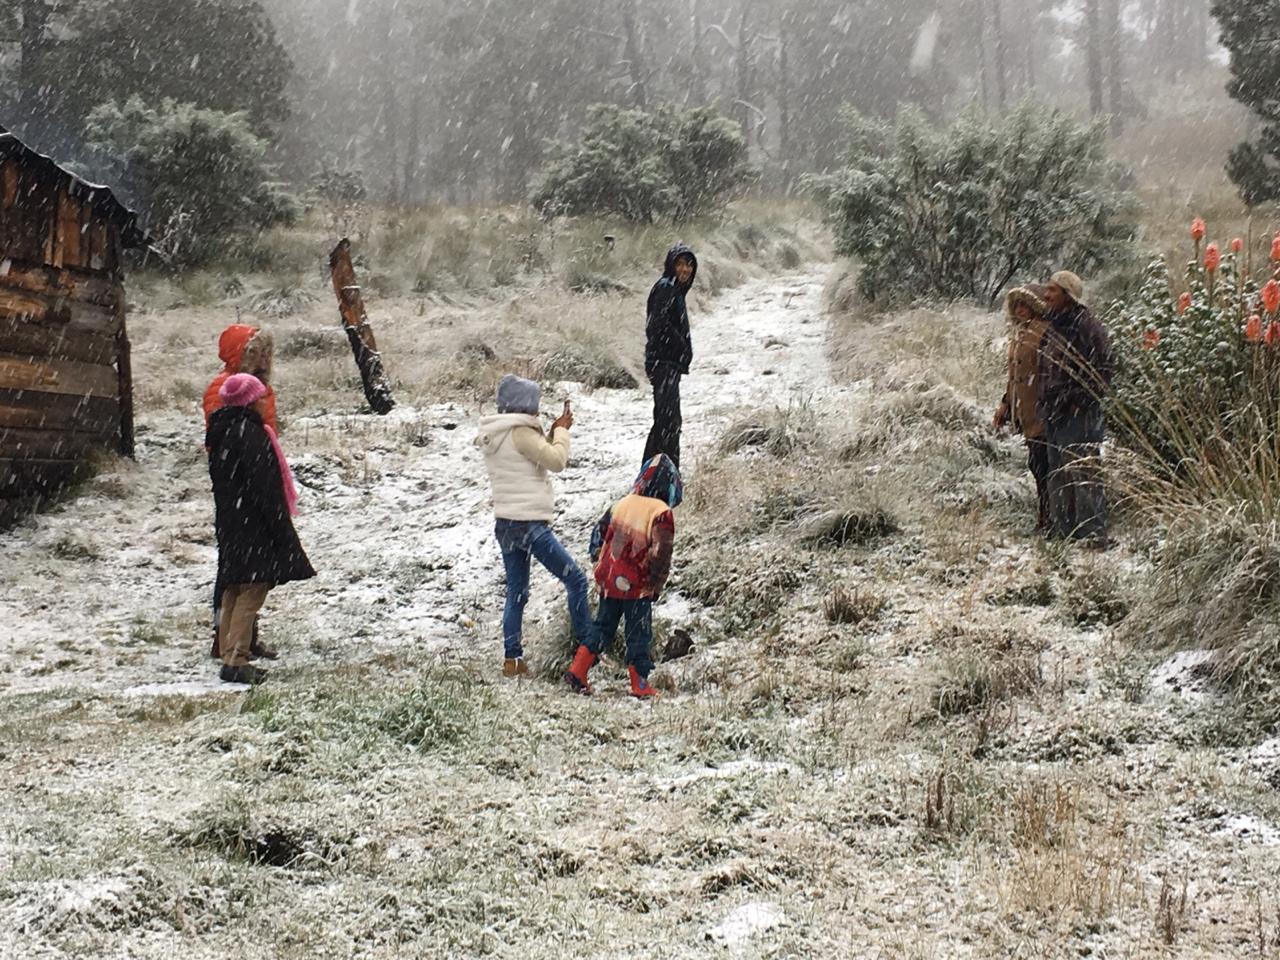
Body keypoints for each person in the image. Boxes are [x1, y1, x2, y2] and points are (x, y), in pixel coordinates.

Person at [475, 375, 596, 678]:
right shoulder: (521, 433)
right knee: (577, 581)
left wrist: (553, 430)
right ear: (525, 406)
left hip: (505, 523)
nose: (537, 411)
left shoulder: (496, 434)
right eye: (535, 405)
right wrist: (563, 433)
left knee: (516, 592)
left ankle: (512, 660)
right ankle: (587, 650)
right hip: (529, 524)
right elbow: (556, 461)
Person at [206, 374, 315, 684]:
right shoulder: (249, 434)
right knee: (252, 591)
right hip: (252, 523)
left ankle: (229, 654)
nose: (266, 401)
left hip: (231, 522)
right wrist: (278, 523)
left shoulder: (222, 431)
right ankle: (236, 661)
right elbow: (264, 486)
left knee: (234, 589)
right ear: (250, 400)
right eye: (261, 396)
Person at [565, 454, 683, 699]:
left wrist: (600, 560)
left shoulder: (623, 503)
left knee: (603, 626)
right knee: (638, 632)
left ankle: (578, 670)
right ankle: (639, 684)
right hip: (637, 584)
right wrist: (655, 585)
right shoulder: (661, 512)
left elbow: (599, 532)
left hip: (609, 579)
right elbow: (661, 553)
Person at [204, 323, 278, 660]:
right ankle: (229, 641)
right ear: (241, 354)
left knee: (245, 572)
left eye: (266, 351)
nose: (263, 358)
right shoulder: (227, 389)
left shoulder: (259, 387)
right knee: (238, 574)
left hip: (248, 483)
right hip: (240, 489)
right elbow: (226, 438)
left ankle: (240, 638)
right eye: (255, 351)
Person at [1036, 270, 1113, 546]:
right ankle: (1063, 533)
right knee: (1058, 475)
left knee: (1085, 475)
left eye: (1052, 291)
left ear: (1068, 296)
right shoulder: (1054, 326)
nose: (1046, 295)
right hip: (1054, 414)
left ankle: (1092, 535)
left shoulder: (1088, 327)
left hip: (1078, 415)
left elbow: (1103, 371)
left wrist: (1079, 402)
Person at [993, 285, 1052, 529]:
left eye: (1024, 305)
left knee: (1043, 465)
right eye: (1016, 305)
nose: (1020, 309)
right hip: (1025, 409)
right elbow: (1015, 376)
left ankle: (1050, 518)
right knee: (1037, 464)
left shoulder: (1045, 332)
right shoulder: (1020, 333)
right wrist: (1006, 405)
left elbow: (1047, 374)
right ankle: (1046, 516)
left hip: (1041, 409)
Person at [643, 243, 697, 469]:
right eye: (680, 264)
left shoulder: (675, 290)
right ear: (671, 265)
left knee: (666, 422)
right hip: (663, 363)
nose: (685, 269)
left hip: (667, 364)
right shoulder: (666, 288)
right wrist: (681, 346)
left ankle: (654, 473)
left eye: (690, 265)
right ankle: (664, 472)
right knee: (668, 423)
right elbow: (657, 325)